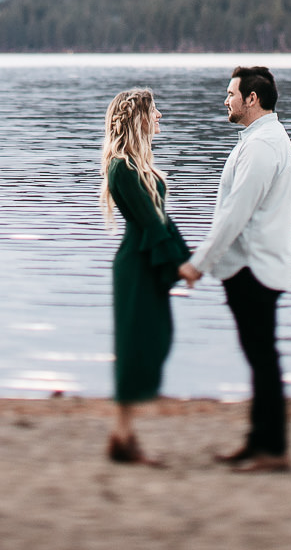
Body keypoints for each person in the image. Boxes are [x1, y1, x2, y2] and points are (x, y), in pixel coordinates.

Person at [178, 65, 291, 473]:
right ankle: (258, 441)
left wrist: (197, 265)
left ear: (252, 98)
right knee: (259, 356)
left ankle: (273, 449)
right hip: (251, 267)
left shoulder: (263, 146)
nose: (225, 100)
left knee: (263, 358)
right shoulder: (259, 140)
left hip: (255, 269)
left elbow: (234, 215)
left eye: (231, 93)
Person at [99, 87, 190, 466]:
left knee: (154, 340)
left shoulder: (141, 166)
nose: (160, 117)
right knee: (135, 347)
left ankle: (124, 437)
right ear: (139, 117)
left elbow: (163, 221)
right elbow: (151, 222)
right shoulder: (121, 167)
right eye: (155, 111)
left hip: (147, 261)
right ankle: (124, 438)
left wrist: (186, 258)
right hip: (136, 266)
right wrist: (180, 264)